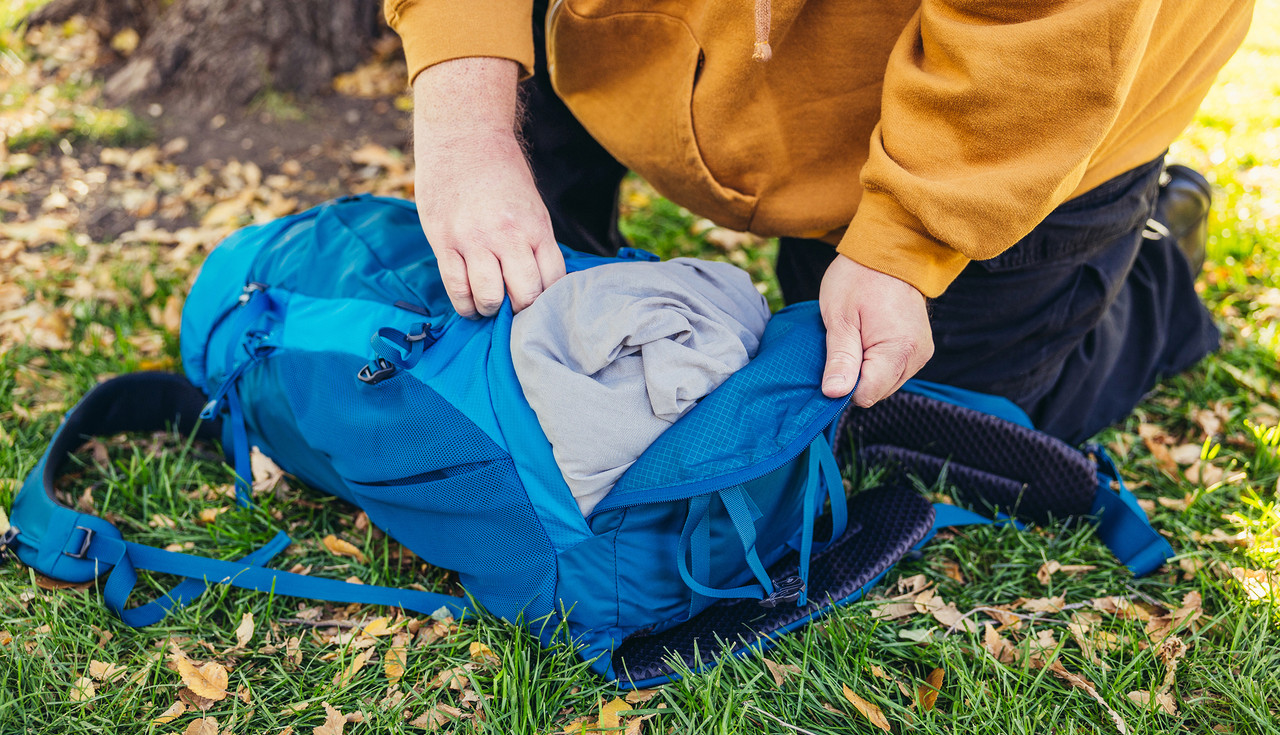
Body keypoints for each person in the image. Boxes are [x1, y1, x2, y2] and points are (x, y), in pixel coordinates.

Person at [385, 0, 1254, 444]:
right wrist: (465, 124)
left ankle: (1147, 259)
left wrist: (908, 239)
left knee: (912, 413)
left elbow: (1044, 24)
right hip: (639, 41)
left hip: (1031, 84)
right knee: (510, 328)